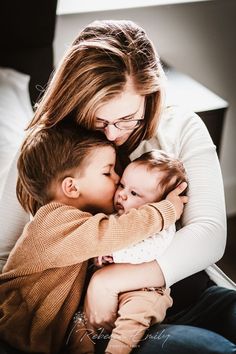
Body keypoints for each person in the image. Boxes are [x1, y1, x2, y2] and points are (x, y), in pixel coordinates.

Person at [1, 19, 236, 354]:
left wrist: (109, 279)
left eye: (127, 118)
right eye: (100, 120)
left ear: (150, 98)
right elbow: (6, 258)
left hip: (187, 290)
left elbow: (211, 232)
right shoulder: (47, 149)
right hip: (113, 323)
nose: (113, 134)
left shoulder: (179, 125)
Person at [0, 123, 185, 354]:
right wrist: (165, 209)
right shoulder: (53, 221)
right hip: (12, 330)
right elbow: (114, 232)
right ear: (71, 187)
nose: (117, 179)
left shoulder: (82, 219)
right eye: (108, 172)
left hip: (49, 336)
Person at [90, 150, 187, 354]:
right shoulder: (116, 215)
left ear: (157, 204)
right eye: (122, 185)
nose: (122, 194)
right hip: (112, 291)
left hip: (146, 290)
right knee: (82, 322)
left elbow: (151, 250)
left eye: (134, 193)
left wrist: (114, 255)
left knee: (132, 322)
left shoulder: (161, 224)